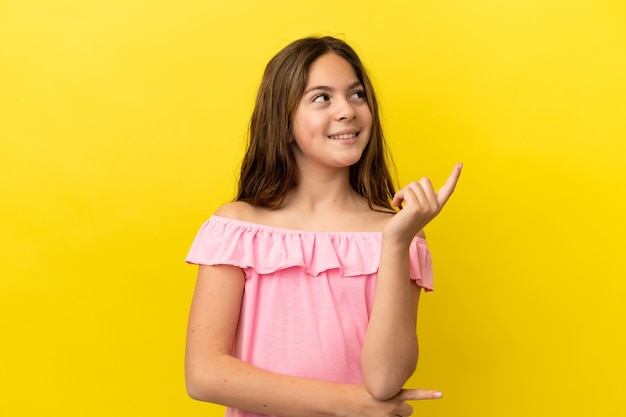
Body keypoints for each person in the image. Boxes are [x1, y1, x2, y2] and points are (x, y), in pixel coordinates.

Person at [184, 36, 462, 417]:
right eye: (321, 97)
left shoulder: (399, 234)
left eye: (357, 94)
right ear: (283, 120)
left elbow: (384, 381)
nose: (347, 110)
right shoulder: (238, 228)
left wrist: (396, 242)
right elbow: (204, 375)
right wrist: (348, 404)